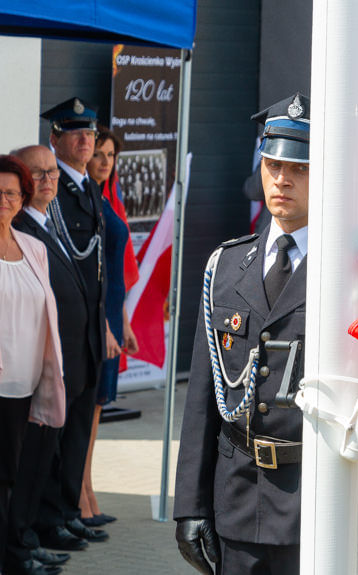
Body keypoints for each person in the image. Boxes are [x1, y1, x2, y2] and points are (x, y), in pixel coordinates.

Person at [173, 93, 358, 575]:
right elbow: (203, 400)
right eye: (272, 164)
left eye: (301, 168)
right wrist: (190, 504)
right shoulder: (227, 265)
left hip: (321, 498)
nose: (282, 179)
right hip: (236, 496)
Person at [35, 97, 109, 550]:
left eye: (91, 133)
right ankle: (50, 518)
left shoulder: (89, 187)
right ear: (55, 138)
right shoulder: (52, 191)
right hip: (61, 331)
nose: (86, 141)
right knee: (56, 433)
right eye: (75, 133)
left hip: (87, 329)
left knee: (80, 425)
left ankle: (67, 511)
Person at [0, 155, 65, 575]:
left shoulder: (34, 248)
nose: (3, 200)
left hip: (25, 387)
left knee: (10, 476)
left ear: (22, 199)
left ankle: (11, 555)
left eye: (10, 193)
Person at [78, 128, 139, 527]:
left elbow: (115, 270)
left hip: (113, 318)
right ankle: (82, 496)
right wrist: (106, 324)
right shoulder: (86, 202)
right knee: (88, 411)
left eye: (110, 155)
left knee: (97, 409)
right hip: (97, 321)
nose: (103, 161)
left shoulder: (108, 198)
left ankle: (86, 489)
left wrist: (125, 322)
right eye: (98, 153)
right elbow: (89, 274)